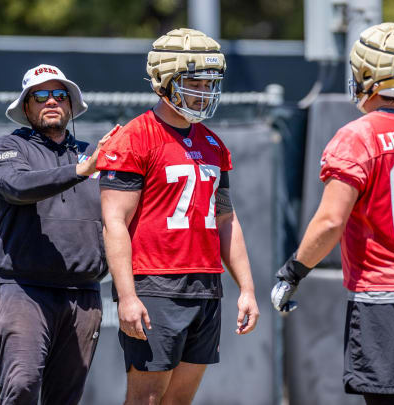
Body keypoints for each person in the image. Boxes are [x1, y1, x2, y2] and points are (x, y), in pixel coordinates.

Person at [271, 23, 394, 405]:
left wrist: (292, 272)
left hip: (383, 294)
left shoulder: (356, 136)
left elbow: (330, 221)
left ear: (368, 75)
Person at [97, 28, 260, 405]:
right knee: (147, 399)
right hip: (156, 284)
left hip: (205, 285)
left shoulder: (214, 144)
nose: (203, 91)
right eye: (194, 82)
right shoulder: (135, 137)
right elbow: (114, 222)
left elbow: (225, 219)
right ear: (163, 82)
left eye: (209, 82)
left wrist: (247, 289)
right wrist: (126, 296)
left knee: (179, 400)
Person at [0, 63, 119, 405]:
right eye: (41, 95)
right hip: (24, 289)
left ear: (70, 104)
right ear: (26, 106)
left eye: (60, 95)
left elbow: (118, 219)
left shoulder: (94, 155)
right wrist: (80, 170)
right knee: (21, 386)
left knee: (64, 398)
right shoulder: (8, 148)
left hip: (83, 294)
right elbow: (18, 186)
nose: (52, 101)